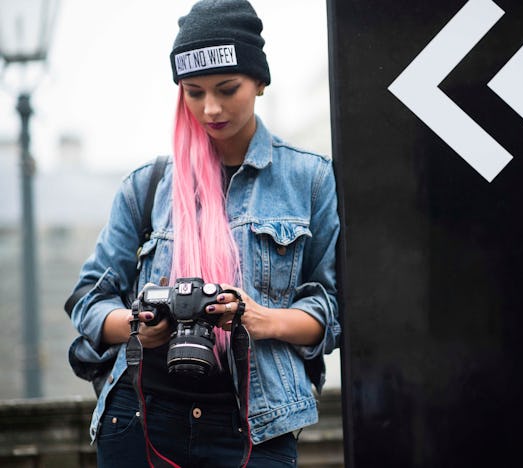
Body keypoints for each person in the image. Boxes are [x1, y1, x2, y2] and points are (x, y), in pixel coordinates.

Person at [65, 1, 341, 466]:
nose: (210, 108)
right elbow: (89, 300)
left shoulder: (309, 179)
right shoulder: (147, 185)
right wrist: (139, 327)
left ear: (259, 81)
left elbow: (332, 310)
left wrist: (260, 319)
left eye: (227, 88)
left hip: (257, 424)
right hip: (140, 419)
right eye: (193, 92)